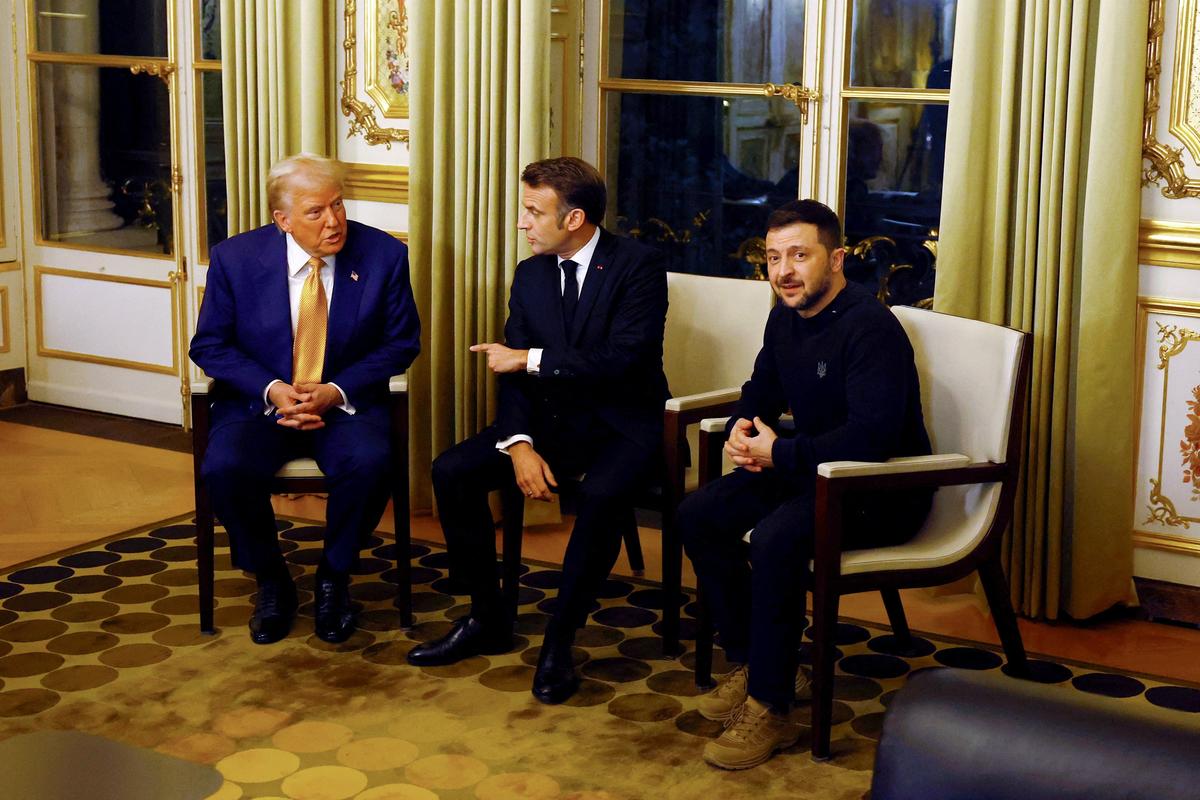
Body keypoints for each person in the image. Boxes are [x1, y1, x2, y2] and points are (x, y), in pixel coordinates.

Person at [679, 199, 931, 770]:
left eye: (799, 255)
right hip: (808, 471)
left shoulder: (870, 328)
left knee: (774, 539)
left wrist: (780, 452)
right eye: (773, 258)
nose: (784, 270)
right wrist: (744, 428)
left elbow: (871, 437)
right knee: (699, 515)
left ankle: (771, 706)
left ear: (836, 259)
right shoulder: (785, 315)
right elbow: (762, 384)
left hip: (880, 489)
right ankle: (760, 662)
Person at [406, 157, 668, 705]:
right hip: (550, 423)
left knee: (599, 497)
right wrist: (518, 444)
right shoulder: (530, 274)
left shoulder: (638, 266)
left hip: (625, 424)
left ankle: (559, 639)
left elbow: (621, 360)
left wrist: (529, 358)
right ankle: (487, 618)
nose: (522, 223)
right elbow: (513, 374)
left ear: (573, 219)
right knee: (451, 471)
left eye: (532, 212)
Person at [190, 153, 420, 646]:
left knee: (371, 460)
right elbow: (208, 345)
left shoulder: (383, 255)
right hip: (263, 404)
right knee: (224, 468)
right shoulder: (235, 258)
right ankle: (271, 579)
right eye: (316, 212)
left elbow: (402, 343)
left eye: (337, 205)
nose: (334, 221)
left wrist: (334, 391)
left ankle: (334, 575)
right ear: (283, 220)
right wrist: (273, 389)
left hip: (343, 404)